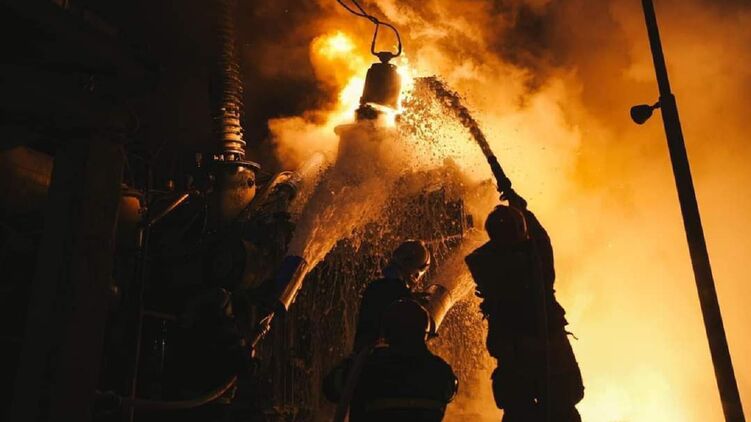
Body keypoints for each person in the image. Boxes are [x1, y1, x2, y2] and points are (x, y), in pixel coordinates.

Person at [465, 204, 584, 422]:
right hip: (550, 354)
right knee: (562, 407)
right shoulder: (536, 262)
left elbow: (479, 257)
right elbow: (541, 239)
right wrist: (522, 209)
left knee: (518, 411)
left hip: (514, 357)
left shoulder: (485, 265)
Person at [347, 299, 458, 422]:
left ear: (387, 333)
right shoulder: (442, 372)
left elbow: (334, 389)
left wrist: (353, 361)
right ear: (425, 333)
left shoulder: (368, 368)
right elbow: (448, 394)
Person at [352, 240, 431, 352]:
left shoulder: (374, 287)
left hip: (362, 356)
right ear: (416, 273)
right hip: (381, 357)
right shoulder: (403, 296)